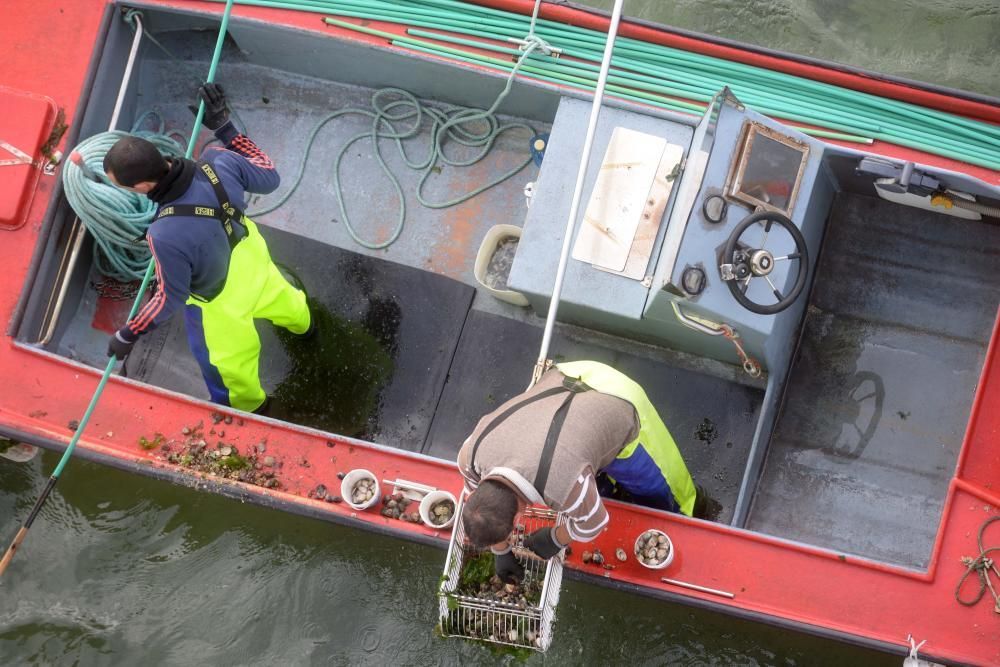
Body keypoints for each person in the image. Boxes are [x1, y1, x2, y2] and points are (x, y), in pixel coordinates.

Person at [103, 83, 312, 414]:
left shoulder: (163, 234)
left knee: (231, 371)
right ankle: (307, 329)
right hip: (254, 260)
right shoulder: (217, 159)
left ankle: (250, 412)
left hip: (220, 304)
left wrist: (128, 335)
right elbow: (269, 176)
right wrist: (225, 128)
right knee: (289, 303)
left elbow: (168, 298)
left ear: (142, 187)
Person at [457, 360, 702, 583]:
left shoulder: (563, 486)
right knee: (585, 476)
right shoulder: (470, 456)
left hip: (617, 397)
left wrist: (555, 538)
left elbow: (593, 524)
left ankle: (691, 511)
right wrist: (501, 550)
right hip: (567, 373)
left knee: (663, 493)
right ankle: (602, 481)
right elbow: (484, 509)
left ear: (517, 516)